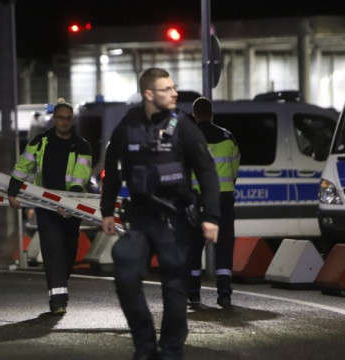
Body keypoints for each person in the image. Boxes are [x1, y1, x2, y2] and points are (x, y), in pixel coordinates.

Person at [100, 68, 220, 360]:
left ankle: (170, 351)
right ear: (149, 94)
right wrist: (106, 210)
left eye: (174, 87)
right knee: (126, 272)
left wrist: (211, 217)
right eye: (167, 89)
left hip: (176, 218)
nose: (174, 93)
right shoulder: (127, 126)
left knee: (174, 290)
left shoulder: (185, 127)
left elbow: (207, 171)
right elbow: (112, 169)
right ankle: (144, 346)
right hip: (140, 216)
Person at [8, 98, 92, 316]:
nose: (64, 123)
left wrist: (68, 203)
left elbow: (80, 177)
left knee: (69, 249)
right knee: (53, 249)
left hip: (71, 207)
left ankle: (60, 283)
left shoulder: (81, 145)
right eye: (60, 118)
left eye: (67, 119)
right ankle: (58, 300)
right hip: (45, 205)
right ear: (54, 119)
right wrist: (12, 191)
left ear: (71, 120)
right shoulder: (40, 141)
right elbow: (22, 166)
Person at [187, 97, 240, 307]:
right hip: (223, 199)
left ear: (194, 115)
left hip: (198, 199)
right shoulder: (228, 137)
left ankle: (193, 291)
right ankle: (224, 293)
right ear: (211, 113)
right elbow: (235, 168)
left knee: (193, 246)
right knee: (224, 246)